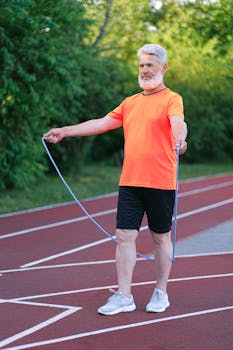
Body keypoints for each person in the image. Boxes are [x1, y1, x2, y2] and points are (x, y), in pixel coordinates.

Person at [44, 44, 188, 316]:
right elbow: (100, 123)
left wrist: (180, 138)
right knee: (123, 236)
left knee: (160, 237)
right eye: (141, 66)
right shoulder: (130, 103)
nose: (145, 70)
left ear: (163, 68)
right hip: (131, 182)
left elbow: (178, 122)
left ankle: (161, 292)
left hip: (161, 182)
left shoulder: (172, 98)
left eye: (150, 65)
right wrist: (64, 131)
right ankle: (124, 296)